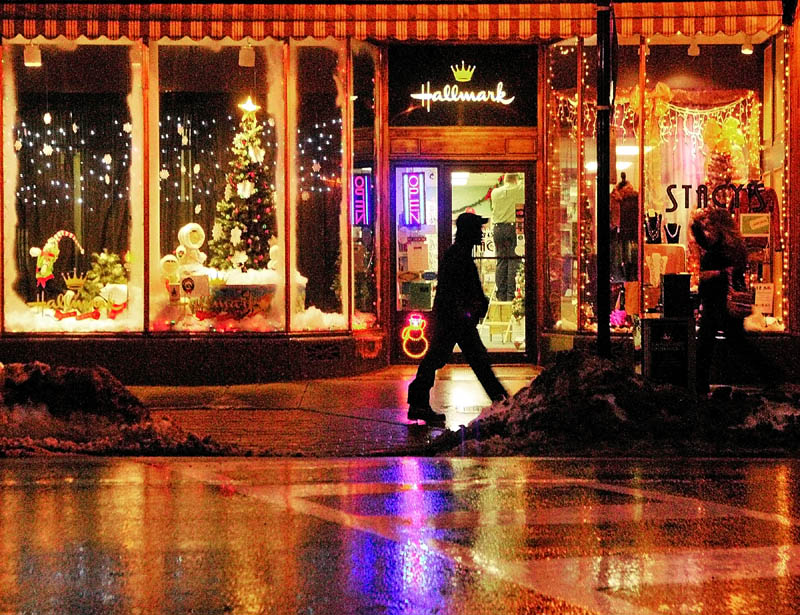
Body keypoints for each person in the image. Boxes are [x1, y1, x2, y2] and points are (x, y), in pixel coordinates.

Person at [407, 212, 509, 423]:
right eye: (478, 229)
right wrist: (468, 311)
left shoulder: (458, 254)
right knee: (454, 358)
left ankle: (501, 400)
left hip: (456, 320)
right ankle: (502, 401)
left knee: (463, 358)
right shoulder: (459, 256)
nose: (481, 234)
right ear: (468, 232)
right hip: (456, 321)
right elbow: (455, 291)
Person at [690, 206, 779, 394]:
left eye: (711, 225)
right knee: (729, 342)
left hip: (721, 302)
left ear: (718, 226)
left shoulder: (722, 248)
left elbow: (724, 272)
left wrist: (713, 275)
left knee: (715, 343)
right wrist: (697, 222)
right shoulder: (732, 246)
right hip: (722, 301)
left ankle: (771, 374)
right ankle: (770, 374)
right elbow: (700, 237)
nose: (709, 229)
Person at [490, 173, 523, 301]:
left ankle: (501, 295)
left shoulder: (495, 193)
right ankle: (511, 296)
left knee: (501, 261)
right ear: (516, 179)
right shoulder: (520, 190)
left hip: (498, 229)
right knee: (514, 260)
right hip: (513, 228)